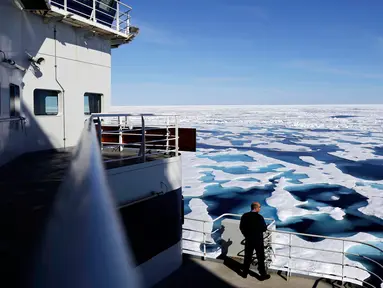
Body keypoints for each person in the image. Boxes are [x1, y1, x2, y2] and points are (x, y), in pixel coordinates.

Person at [239, 202, 271, 280]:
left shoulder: (245, 216)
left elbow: (241, 227)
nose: (260, 208)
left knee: (247, 256)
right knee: (260, 257)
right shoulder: (259, 217)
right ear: (256, 208)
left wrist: (246, 235)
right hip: (258, 240)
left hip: (249, 239)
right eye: (259, 207)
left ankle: (244, 273)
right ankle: (262, 274)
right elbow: (264, 228)